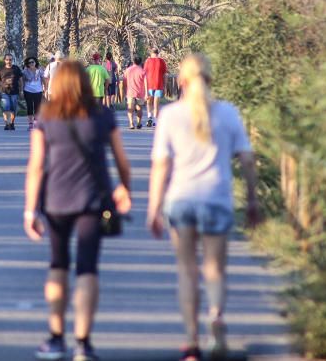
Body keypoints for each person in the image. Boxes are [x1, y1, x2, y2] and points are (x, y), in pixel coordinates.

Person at [146, 53, 261, 361]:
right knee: (215, 268)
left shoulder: (170, 115)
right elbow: (248, 160)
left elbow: (161, 166)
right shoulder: (228, 113)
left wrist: (153, 208)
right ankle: (217, 315)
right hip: (217, 199)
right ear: (210, 78)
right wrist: (252, 199)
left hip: (181, 200)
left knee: (187, 270)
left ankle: (192, 341)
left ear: (180, 80)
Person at [24, 60, 132, 361]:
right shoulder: (102, 115)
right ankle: (83, 344)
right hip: (93, 202)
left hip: (55, 202)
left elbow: (35, 166)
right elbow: (121, 160)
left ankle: (56, 338)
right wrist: (124, 188)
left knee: (58, 264)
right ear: (86, 83)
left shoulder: (46, 116)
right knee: (87, 267)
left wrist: (30, 211)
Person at [0, 53, 24, 130]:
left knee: (13, 109)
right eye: (7, 59)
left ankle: (12, 123)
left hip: (14, 92)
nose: (9, 61)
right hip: (4, 92)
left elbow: (21, 81)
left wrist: (21, 91)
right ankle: (7, 123)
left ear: (12, 60)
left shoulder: (16, 69)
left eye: (10, 59)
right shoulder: (1, 70)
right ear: (4, 60)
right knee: (6, 108)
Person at [143, 48, 168, 128]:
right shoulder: (162, 61)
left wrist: (145, 89)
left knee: (149, 102)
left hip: (149, 85)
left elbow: (145, 75)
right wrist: (165, 86)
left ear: (151, 53)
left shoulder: (147, 61)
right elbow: (164, 75)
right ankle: (155, 121)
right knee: (156, 104)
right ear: (158, 53)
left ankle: (149, 116)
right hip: (159, 84)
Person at [123, 56, 147, 130]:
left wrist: (125, 91)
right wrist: (146, 93)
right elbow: (146, 83)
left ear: (133, 61)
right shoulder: (142, 71)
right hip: (140, 92)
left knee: (130, 108)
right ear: (140, 62)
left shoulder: (127, 70)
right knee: (139, 108)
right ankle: (139, 123)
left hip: (130, 92)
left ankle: (131, 123)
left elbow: (124, 82)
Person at [22, 56, 45, 130]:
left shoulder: (40, 70)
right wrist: (21, 90)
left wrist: (45, 89)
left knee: (37, 108)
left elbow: (44, 80)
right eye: (29, 62)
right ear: (27, 64)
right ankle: (30, 124)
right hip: (28, 90)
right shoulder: (24, 71)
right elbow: (22, 81)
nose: (31, 63)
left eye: (32, 62)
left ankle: (36, 123)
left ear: (35, 62)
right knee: (29, 107)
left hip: (38, 91)